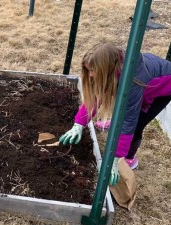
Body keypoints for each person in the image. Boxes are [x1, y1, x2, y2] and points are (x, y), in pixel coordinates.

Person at [59, 42, 171, 186]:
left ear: (106, 69)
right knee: (124, 109)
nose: (91, 74)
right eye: (88, 70)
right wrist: (79, 124)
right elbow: (95, 97)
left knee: (137, 122)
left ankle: (130, 158)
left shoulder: (132, 81)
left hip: (161, 87)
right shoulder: (109, 67)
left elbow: (129, 121)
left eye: (93, 70)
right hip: (146, 76)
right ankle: (113, 123)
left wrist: (115, 158)